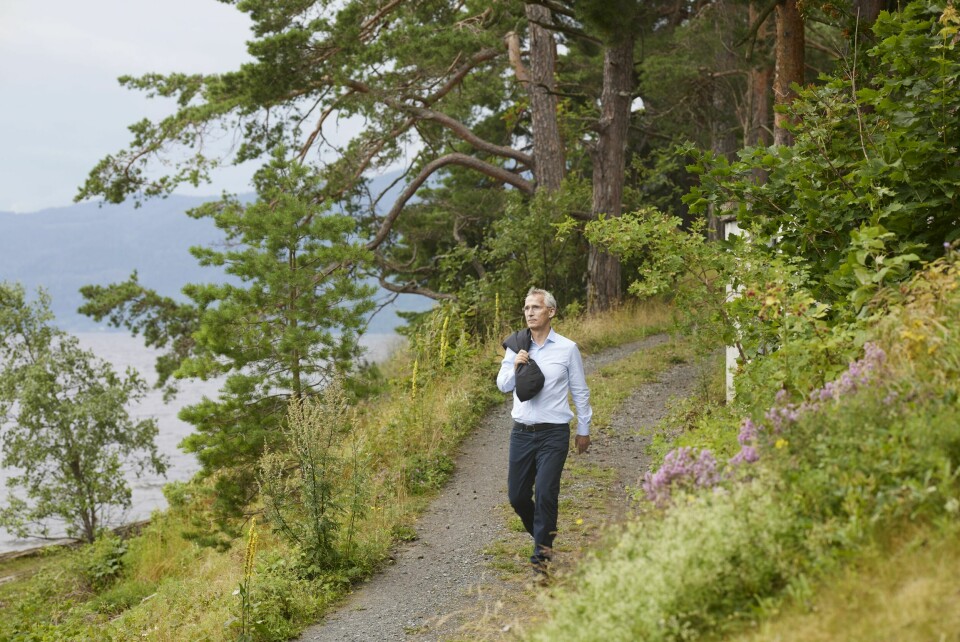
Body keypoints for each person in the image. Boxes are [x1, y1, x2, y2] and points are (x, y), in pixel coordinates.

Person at [496, 287, 592, 578]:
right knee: (517, 497)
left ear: (550, 312)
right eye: (526, 308)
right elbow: (503, 385)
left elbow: (580, 390)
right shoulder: (517, 346)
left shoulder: (567, 348)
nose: (529, 313)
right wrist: (515, 365)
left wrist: (584, 429)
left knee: (547, 493)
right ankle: (543, 536)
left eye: (535, 307)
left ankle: (541, 560)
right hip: (522, 432)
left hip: (554, 433)